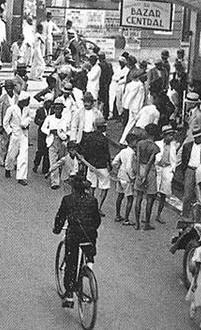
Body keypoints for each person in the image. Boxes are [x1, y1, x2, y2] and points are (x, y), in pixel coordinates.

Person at [52, 173, 101, 308]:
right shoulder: (92, 200)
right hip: (89, 236)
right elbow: (97, 220)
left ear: (73, 187)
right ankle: (89, 265)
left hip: (74, 235)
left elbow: (60, 217)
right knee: (89, 249)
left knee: (71, 262)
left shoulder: (67, 199)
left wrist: (57, 229)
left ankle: (69, 295)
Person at [176, 126, 201, 219]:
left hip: (200, 171)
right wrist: (185, 170)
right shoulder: (187, 146)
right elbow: (184, 159)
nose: (199, 139)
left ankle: (198, 216)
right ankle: (185, 213)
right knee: (187, 194)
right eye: (197, 137)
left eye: (200, 137)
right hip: (190, 170)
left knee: (200, 194)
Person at [80, 117, 112, 215]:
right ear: (103, 128)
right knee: (104, 187)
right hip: (102, 166)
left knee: (91, 187)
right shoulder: (104, 139)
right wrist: (109, 164)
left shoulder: (88, 137)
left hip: (91, 165)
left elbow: (84, 151)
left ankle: (91, 207)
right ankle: (98, 207)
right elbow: (107, 154)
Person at [133, 123, 160, 231]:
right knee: (150, 198)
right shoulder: (155, 147)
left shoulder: (140, 144)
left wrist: (140, 174)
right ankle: (147, 223)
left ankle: (137, 223)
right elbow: (150, 162)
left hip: (140, 168)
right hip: (150, 172)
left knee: (138, 197)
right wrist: (146, 175)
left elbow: (138, 158)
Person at [112, 129, 141, 224]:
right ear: (132, 142)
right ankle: (126, 219)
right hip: (127, 177)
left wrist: (118, 168)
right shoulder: (132, 153)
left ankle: (117, 215)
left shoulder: (123, 151)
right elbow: (129, 167)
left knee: (120, 196)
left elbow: (115, 161)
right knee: (130, 198)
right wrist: (132, 177)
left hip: (120, 175)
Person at [4, 92, 33, 185]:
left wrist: (27, 122)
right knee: (11, 154)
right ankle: (8, 167)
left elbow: (30, 117)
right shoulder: (12, 109)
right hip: (15, 134)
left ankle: (21, 177)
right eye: (27, 100)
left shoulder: (27, 109)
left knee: (23, 156)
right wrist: (10, 132)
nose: (28, 102)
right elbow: (6, 122)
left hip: (24, 135)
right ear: (23, 100)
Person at [43, 98, 71, 189]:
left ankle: (62, 178)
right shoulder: (49, 118)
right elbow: (43, 128)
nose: (58, 110)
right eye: (56, 108)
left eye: (60, 108)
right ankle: (55, 182)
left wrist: (65, 134)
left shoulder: (65, 119)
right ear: (54, 109)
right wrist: (50, 131)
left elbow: (69, 130)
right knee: (53, 161)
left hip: (62, 142)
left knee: (61, 161)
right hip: (52, 141)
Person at [154, 124, 177, 224]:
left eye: (172, 135)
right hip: (158, 168)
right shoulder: (157, 144)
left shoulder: (173, 146)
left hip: (167, 170)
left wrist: (172, 170)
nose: (171, 137)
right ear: (164, 135)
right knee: (153, 192)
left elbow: (174, 160)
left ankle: (158, 215)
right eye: (169, 135)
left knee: (163, 194)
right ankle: (148, 213)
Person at [120, 69, 146, 145]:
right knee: (132, 124)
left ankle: (124, 139)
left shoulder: (129, 85)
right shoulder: (138, 85)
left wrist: (125, 106)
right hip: (136, 108)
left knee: (130, 124)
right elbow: (130, 96)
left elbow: (125, 96)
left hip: (132, 107)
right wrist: (126, 106)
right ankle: (124, 140)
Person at [33, 96, 53, 175]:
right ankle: (36, 164)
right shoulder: (40, 110)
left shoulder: (52, 111)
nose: (48, 104)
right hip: (41, 132)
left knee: (47, 150)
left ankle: (45, 168)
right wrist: (41, 122)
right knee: (40, 150)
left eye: (50, 102)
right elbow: (35, 120)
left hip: (49, 132)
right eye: (47, 102)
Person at [97, 51, 114, 119]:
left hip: (101, 84)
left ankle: (101, 114)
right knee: (106, 99)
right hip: (107, 84)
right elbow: (112, 73)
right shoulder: (109, 64)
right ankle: (106, 114)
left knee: (101, 99)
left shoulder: (100, 65)